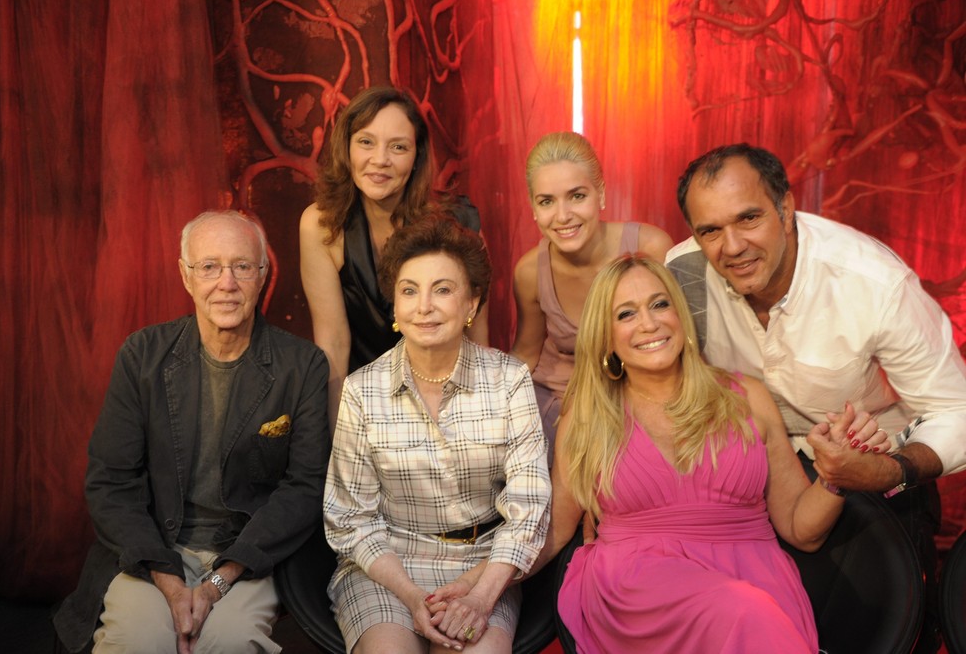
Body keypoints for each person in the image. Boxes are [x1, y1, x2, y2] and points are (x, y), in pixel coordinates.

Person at [666, 143, 966, 652]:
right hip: (745, 483)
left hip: (876, 477)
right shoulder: (684, 273)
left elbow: (956, 410)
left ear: (786, 208)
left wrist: (888, 470)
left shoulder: (872, 282)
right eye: (710, 230)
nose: (732, 246)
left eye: (749, 218)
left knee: (886, 635)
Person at [539, 254, 885, 653]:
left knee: (749, 609)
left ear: (680, 315)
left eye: (660, 304)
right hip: (639, 592)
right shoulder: (587, 415)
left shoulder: (748, 396)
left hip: (757, 582)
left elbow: (800, 529)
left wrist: (835, 473)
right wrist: (487, 580)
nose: (649, 323)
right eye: (626, 314)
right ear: (605, 337)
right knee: (743, 610)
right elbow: (555, 529)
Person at [53, 210, 331, 654]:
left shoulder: (303, 365)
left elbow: (304, 489)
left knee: (231, 641)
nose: (227, 283)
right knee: (137, 642)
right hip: (155, 549)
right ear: (186, 276)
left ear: (262, 275)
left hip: (248, 555)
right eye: (209, 267)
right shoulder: (142, 356)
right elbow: (111, 483)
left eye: (242, 266)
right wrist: (169, 582)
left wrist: (219, 581)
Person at [323, 215, 550, 654]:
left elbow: (529, 509)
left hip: (484, 565)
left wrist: (480, 597)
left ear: (472, 303)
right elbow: (350, 518)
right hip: (387, 567)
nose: (423, 306)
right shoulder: (361, 390)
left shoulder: (509, 380)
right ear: (395, 305)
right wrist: (411, 596)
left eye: (442, 290)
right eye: (409, 291)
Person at [299, 86, 488, 429]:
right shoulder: (321, 224)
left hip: (449, 400)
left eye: (398, 147)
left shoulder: (458, 222)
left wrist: (476, 424)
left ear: (417, 156)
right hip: (365, 402)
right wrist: (341, 437)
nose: (380, 160)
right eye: (366, 142)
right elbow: (333, 345)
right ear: (346, 147)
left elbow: (477, 338)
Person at [512, 132, 673, 457]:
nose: (562, 216)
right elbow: (526, 354)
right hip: (556, 405)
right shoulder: (529, 271)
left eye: (577, 196)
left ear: (601, 194)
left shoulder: (652, 248)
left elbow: (681, 340)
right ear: (533, 208)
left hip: (638, 402)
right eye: (546, 201)